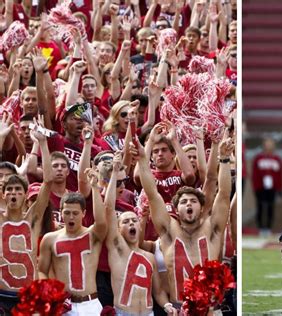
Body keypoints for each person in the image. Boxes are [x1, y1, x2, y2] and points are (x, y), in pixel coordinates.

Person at [137, 134, 233, 309]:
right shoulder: (168, 231)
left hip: (210, 310)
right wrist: (143, 159)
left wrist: (225, 159)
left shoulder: (211, 228)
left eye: (193, 201)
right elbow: (151, 193)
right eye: (183, 202)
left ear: (202, 207)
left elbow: (224, 196)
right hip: (178, 307)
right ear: (176, 209)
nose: (189, 203)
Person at [104, 153, 173, 315]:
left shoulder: (149, 257)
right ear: (118, 229)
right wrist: (114, 173)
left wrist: (167, 305)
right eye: (126, 222)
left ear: (140, 227)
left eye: (134, 220)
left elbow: (158, 291)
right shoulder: (117, 249)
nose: (131, 223)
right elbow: (108, 208)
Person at [0, 120, 52, 313]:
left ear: (25, 195)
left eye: (18, 190)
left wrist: (43, 144)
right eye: (10, 190)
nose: (14, 194)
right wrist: (1, 138)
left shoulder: (32, 219)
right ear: (3, 195)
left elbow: (47, 181)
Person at [38, 170, 107, 315]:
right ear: (61, 212)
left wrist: (94, 187)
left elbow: (101, 221)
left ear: (83, 213)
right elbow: (41, 271)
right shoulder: (50, 239)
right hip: (64, 304)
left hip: (91, 304)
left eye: (75, 213)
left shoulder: (92, 235)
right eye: (67, 212)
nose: (71, 217)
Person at [252, 136, 282, 236]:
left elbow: (280, 174)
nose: (269, 145)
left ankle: (268, 228)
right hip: (260, 187)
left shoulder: (277, 159)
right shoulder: (258, 158)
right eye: (267, 143)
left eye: (271, 143)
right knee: (260, 206)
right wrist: (256, 186)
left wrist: (280, 188)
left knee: (270, 207)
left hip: (272, 188)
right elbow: (255, 173)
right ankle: (261, 227)